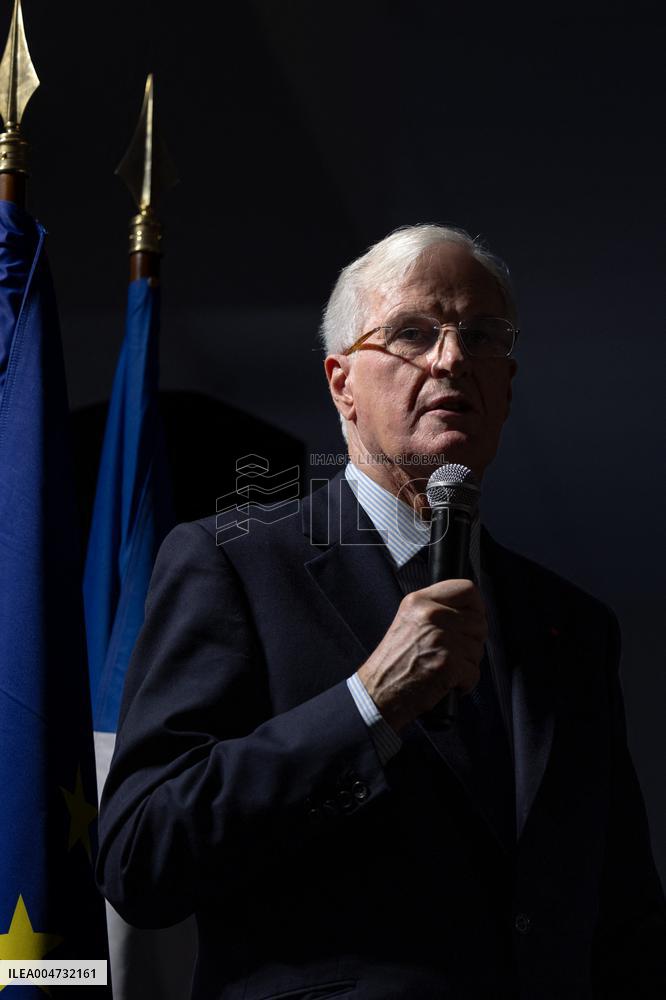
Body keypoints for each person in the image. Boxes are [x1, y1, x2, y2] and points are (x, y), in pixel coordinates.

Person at [96, 225, 666, 999]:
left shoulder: (575, 627)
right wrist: (368, 704)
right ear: (342, 385)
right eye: (411, 333)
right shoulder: (232, 562)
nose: (452, 358)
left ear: (507, 386)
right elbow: (141, 854)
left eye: (483, 335)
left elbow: (623, 920)